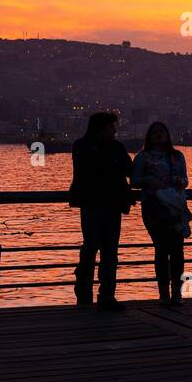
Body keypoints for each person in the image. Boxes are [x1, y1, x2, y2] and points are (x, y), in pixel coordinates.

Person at [69, 111, 133, 311]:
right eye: (111, 127)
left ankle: (100, 294)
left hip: (105, 204)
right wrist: (114, 166)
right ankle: (91, 293)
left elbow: (127, 169)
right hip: (96, 203)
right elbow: (125, 169)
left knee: (107, 251)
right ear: (100, 128)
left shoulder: (86, 147)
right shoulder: (83, 146)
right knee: (95, 247)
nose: (115, 131)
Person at [131, 122, 191, 307]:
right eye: (155, 132)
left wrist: (180, 182)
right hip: (154, 208)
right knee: (162, 249)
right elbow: (133, 181)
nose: (158, 135)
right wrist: (148, 180)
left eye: (161, 132)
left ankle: (176, 293)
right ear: (149, 136)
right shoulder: (142, 157)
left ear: (167, 135)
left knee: (177, 251)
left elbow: (185, 179)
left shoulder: (177, 156)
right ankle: (164, 293)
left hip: (174, 207)